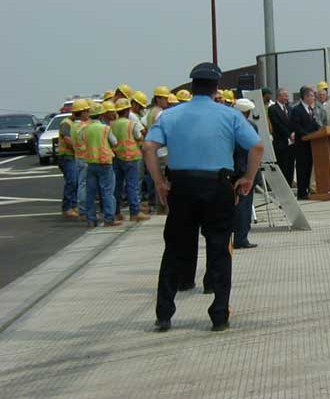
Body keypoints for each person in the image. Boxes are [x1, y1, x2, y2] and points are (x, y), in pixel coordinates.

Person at [143, 62, 263, 332]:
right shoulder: (230, 115)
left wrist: (159, 182)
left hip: (182, 187)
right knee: (219, 249)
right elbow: (256, 146)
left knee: (174, 250)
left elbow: (149, 147)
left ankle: (164, 313)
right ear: (215, 88)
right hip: (217, 187)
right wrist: (247, 178)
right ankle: (219, 314)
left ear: (192, 86)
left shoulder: (170, 115)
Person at [80, 103, 121, 228]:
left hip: (91, 162)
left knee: (91, 192)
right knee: (107, 191)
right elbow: (114, 142)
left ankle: (91, 219)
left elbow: (83, 140)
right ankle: (109, 218)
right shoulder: (105, 128)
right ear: (101, 115)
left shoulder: (85, 129)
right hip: (105, 162)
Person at [111, 98, 149, 222]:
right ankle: (135, 212)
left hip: (117, 156)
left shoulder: (112, 124)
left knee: (117, 186)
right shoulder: (131, 123)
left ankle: (116, 212)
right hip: (131, 157)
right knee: (132, 185)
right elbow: (139, 136)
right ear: (127, 110)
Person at [231, 99, 260, 249]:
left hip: (231, 170)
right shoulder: (251, 126)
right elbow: (256, 148)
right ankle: (241, 238)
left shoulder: (229, 126)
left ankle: (233, 236)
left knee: (235, 206)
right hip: (246, 171)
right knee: (244, 206)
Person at [57, 99, 89, 219]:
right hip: (67, 156)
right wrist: (79, 147)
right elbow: (67, 139)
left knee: (76, 182)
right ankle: (67, 208)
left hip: (74, 156)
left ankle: (74, 206)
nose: (87, 114)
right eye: (86, 111)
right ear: (80, 112)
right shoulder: (66, 123)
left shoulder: (78, 123)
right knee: (72, 181)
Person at [290, 86, 319, 200]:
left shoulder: (310, 109)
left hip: (311, 144)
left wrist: (319, 131)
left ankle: (306, 189)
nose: (313, 98)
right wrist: (307, 135)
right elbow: (295, 126)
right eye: (312, 96)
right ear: (306, 97)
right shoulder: (297, 110)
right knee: (302, 168)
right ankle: (301, 192)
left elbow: (314, 124)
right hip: (301, 144)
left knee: (308, 167)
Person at [268, 88, 295, 186]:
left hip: (291, 143)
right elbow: (277, 125)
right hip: (280, 142)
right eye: (285, 95)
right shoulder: (273, 109)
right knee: (282, 165)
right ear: (279, 96)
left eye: (287, 96)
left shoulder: (290, 109)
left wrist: (293, 133)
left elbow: (293, 122)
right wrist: (288, 134)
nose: (287, 98)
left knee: (290, 166)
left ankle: (289, 184)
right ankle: (282, 186)